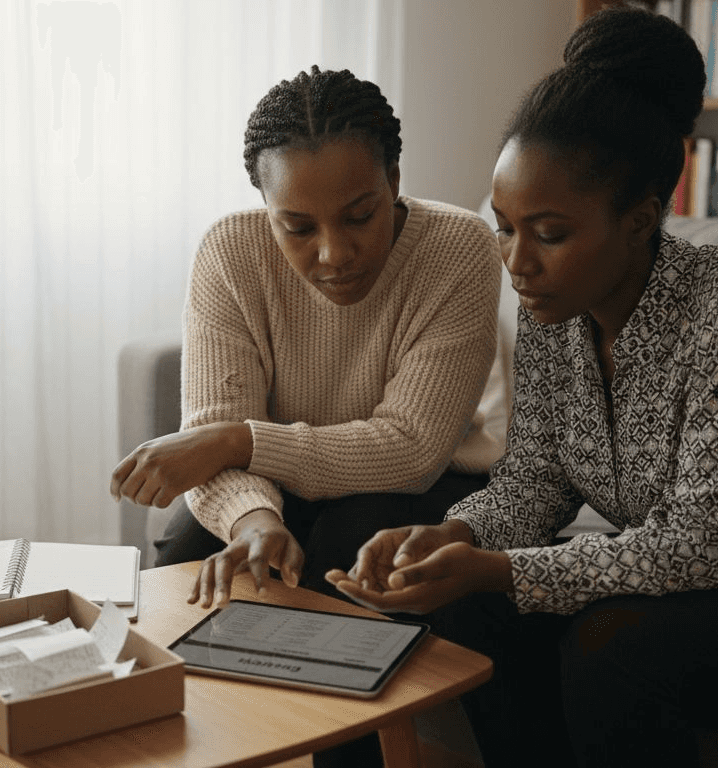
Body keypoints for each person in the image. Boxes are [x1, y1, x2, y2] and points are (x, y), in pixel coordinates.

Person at [326, 8, 718, 768]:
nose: (517, 263)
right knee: (472, 609)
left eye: (548, 233)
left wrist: (503, 568)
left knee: (609, 647)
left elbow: (704, 547)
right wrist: (459, 537)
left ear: (640, 219)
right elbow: (536, 481)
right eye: (504, 227)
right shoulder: (554, 313)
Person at [111, 65, 501, 607]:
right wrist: (252, 519)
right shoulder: (230, 253)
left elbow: (412, 448)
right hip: (272, 479)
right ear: (266, 209)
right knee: (187, 560)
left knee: (346, 549)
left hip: (418, 484)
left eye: (361, 216)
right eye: (297, 227)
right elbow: (208, 437)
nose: (333, 254)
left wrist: (238, 440)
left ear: (393, 179)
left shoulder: (458, 248)